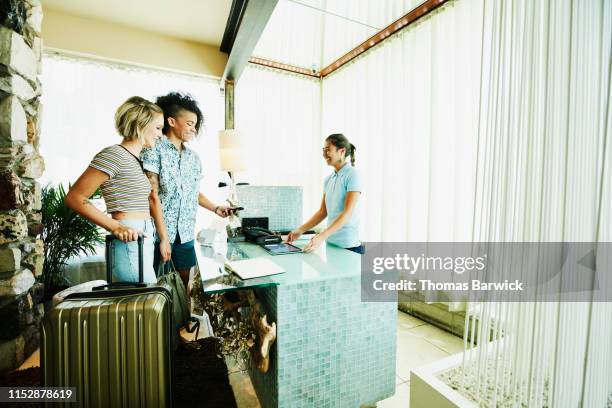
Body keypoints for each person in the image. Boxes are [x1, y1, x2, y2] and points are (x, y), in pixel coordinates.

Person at [65, 96, 166, 282]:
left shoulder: (135, 159)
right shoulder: (114, 155)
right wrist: (117, 227)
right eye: (158, 128)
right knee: (142, 304)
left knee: (146, 303)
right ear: (141, 124)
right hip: (129, 239)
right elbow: (75, 198)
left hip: (141, 237)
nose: (161, 134)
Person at [141, 91, 234, 289]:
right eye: (190, 123)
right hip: (158, 234)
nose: (194, 129)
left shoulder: (194, 158)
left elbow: (194, 193)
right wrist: (164, 238)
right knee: (157, 289)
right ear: (172, 121)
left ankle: (183, 320)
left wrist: (216, 208)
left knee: (184, 287)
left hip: (185, 235)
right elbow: (151, 195)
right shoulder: (153, 149)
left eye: (195, 125)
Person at [287, 133, 364, 254]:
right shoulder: (328, 179)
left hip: (349, 246)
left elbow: (347, 213)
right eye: (323, 150)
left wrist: (322, 236)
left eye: (328, 150)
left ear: (341, 151)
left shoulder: (353, 175)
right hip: (331, 243)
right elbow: (323, 211)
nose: (324, 154)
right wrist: (300, 230)